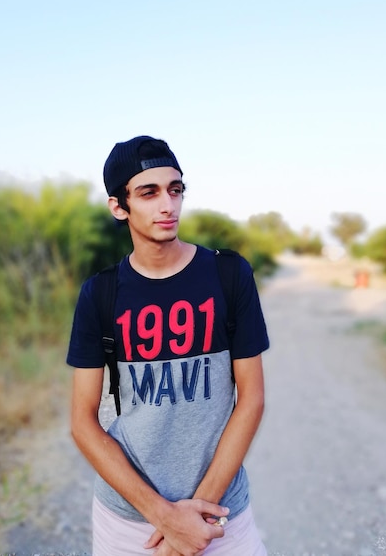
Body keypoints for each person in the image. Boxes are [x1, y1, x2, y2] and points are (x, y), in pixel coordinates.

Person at [67, 135, 269, 556]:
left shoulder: (228, 275)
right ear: (118, 207)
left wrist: (197, 517)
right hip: (128, 523)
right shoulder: (100, 294)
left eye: (176, 189)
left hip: (220, 517)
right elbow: (83, 422)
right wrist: (165, 517)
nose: (168, 205)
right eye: (149, 192)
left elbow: (251, 400)